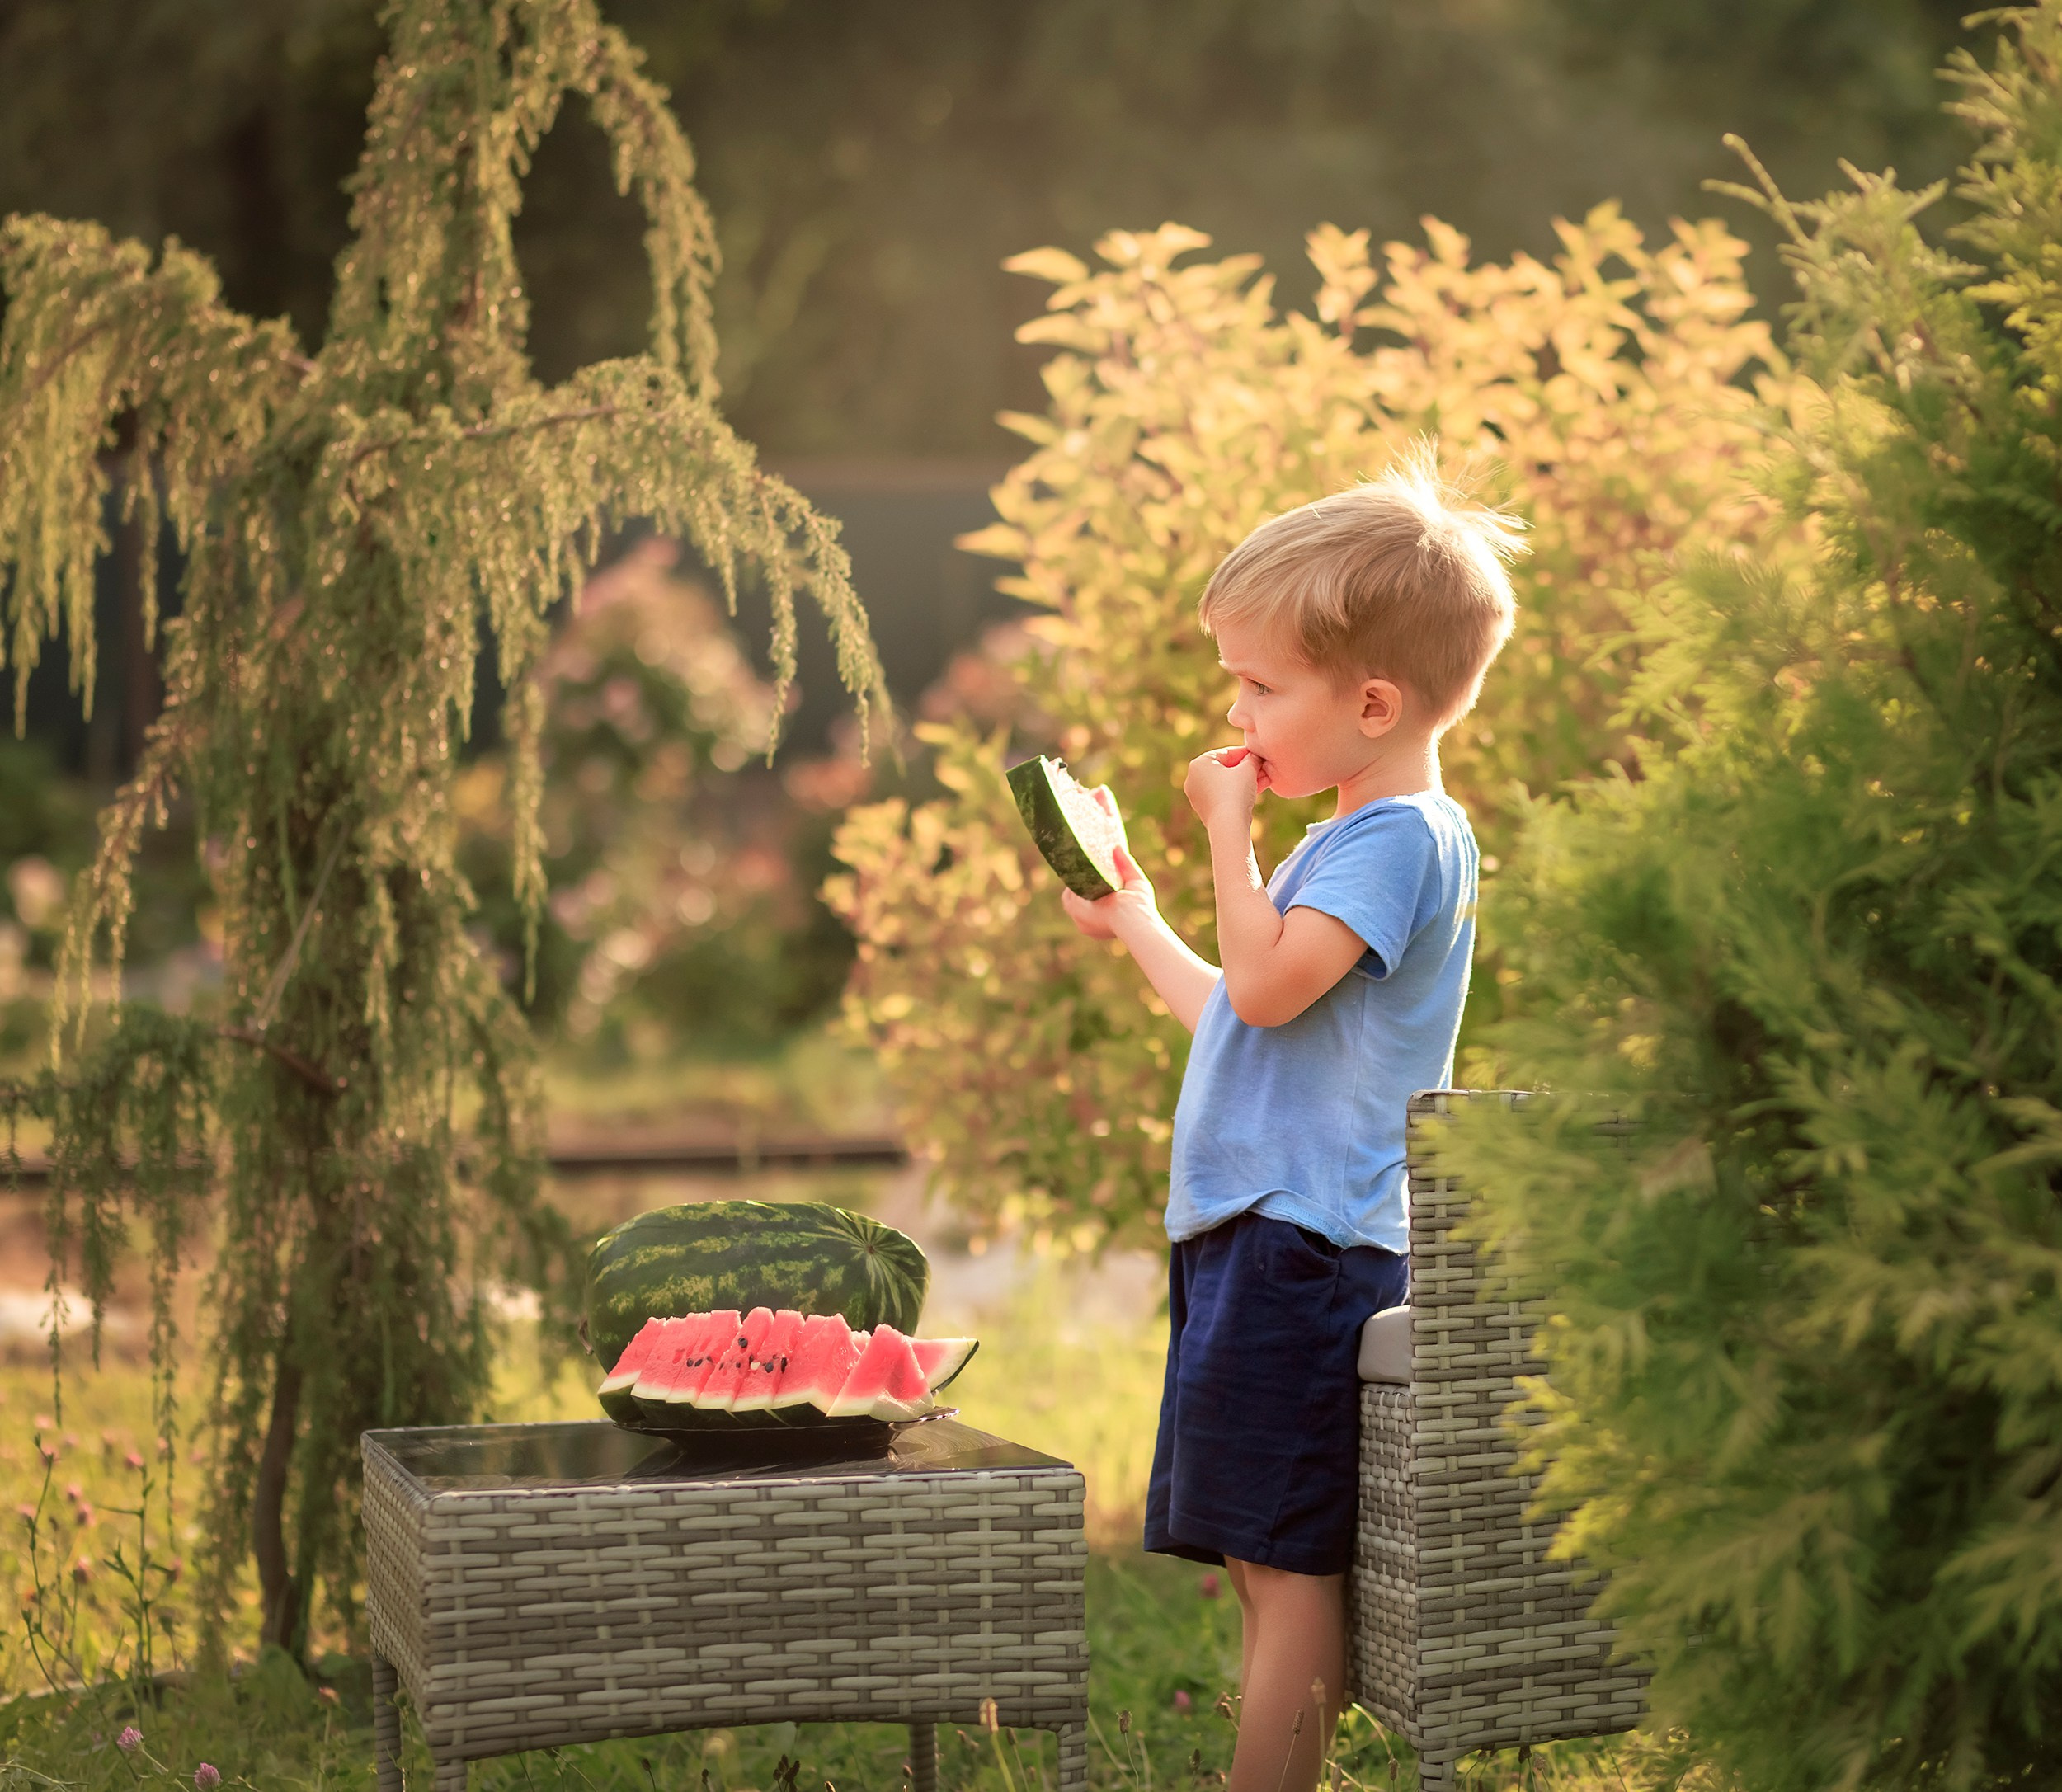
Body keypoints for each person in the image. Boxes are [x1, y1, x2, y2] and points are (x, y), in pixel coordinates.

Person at [1060, 446, 1523, 1792]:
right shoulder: (1348, 833)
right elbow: (1239, 1008)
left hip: (1307, 1246)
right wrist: (1136, 914)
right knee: (1266, 1559)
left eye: (1261, 683)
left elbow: (1260, 987)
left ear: (1372, 700)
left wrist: (1223, 830)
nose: (1237, 709)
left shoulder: (1401, 837)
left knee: (1292, 1562)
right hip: (1259, 1238)